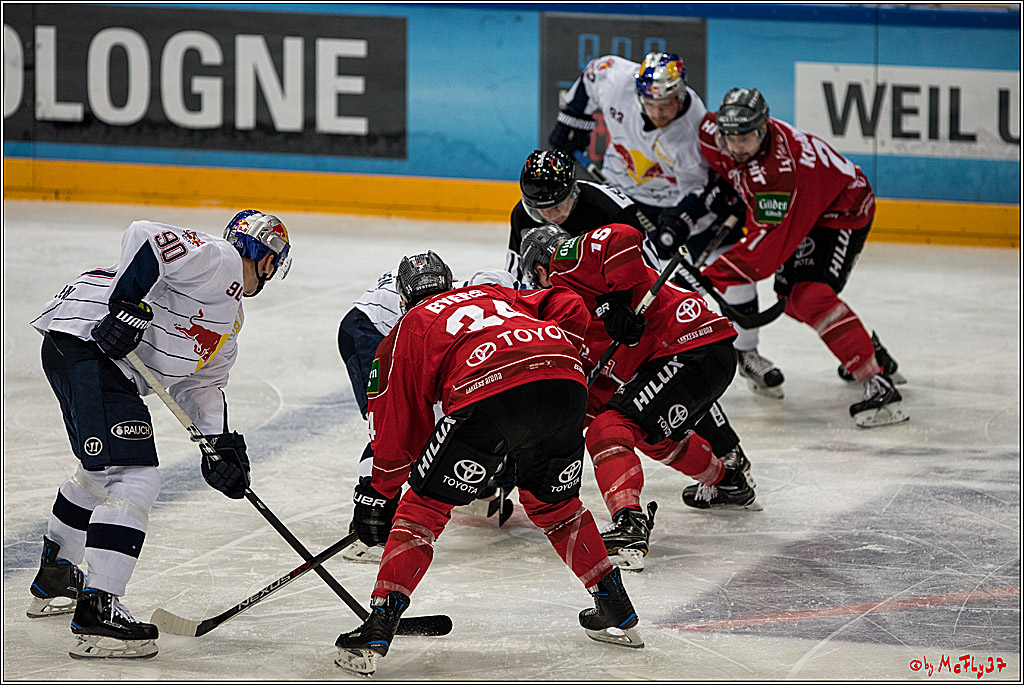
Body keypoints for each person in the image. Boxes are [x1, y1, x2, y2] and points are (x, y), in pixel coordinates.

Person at [335, 251, 643, 677]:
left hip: (491, 395)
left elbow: (398, 430)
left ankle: (379, 626)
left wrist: (380, 496)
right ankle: (614, 603)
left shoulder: (407, 329)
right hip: (564, 382)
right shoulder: (494, 294)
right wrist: (558, 349)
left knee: (423, 508)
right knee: (555, 506)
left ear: (405, 299)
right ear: (451, 283)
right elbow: (567, 303)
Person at [27, 210, 292, 659]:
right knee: (136, 476)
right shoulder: (221, 259)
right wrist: (125, 305)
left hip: (78, 349)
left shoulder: (228, 322)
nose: (270, 272)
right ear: (259, 252)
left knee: (100, 472)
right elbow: (147, 237)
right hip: (90, 346)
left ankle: (57, 572)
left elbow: (202, 386)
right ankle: (99, 610)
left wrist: (219, 448)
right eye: (272, 260)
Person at [512, 148, 760, 517]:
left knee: (632, 409)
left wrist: (617, 299)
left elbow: (630, 249)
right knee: (637, 419)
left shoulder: (575, 248)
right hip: (651, 338)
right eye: (541, 209)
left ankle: (723, 452)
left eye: (558, 205)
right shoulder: (534, 243)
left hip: (660, 319)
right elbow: (522, 289)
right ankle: (725, 477)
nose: (551, 215)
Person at [519, 223, 760, 572]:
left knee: (609, 428)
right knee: (638, 434)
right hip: (692, 356)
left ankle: (629, 525)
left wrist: (614, 300)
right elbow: (591, 402)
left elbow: (622, 234)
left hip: (693, 345)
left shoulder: (567, 263)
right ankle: (728, 481)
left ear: (541, 270)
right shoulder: (575, 327)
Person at [549, 52, 785, 399]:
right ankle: (584, 349)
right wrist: (573, 121)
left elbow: (697, 188)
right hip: (619, 189)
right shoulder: (616, 79)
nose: (659, 113)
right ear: (638, 92)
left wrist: (678, 222)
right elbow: (591, 75)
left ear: (681, 93)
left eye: (668, 104)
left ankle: (746, 351)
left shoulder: (695, 125)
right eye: (651, 103)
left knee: (728, 250)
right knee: (601, 268)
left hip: (671, 198)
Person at [697, 88, 908, 428]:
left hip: (841, 209)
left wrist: (705, 277)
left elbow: (761, 258)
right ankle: (871, 352)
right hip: (810, 205)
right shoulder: (715, 133)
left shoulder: (779, 174)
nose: (736, 148)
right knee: (792, 302)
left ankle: (877, 381)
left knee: (809, 296)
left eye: (746, 139)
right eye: (730, 139)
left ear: (764, 129)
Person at [337, 265, 519, 563]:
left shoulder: (482, 301)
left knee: (456, 413)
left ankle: (480, 484)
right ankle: (373, 519)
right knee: (398, 424)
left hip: (412, 329)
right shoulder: (477, 303)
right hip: (370, 330)